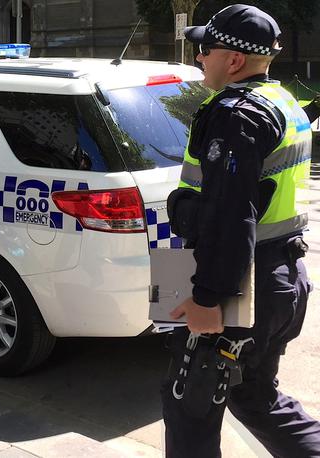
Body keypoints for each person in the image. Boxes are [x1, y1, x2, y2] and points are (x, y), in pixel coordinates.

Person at [163, 4, 320, 457]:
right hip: (282, 276)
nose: (198, 58)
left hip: (243, 282)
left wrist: (209, 297)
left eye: (205, 49)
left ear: (232, 60)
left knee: (189, 402)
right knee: (253, 397)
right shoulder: (282, 101)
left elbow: (231, 214)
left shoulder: (237, 115)